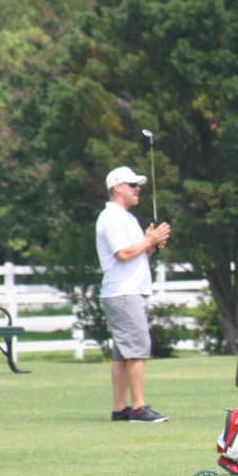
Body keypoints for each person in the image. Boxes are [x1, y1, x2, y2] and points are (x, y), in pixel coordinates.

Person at [95, 165, 172, 422]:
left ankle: (121, 408)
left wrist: (152, 244)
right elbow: (124, 253)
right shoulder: (112, 217)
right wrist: (148, 241)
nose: (137, 189)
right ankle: (138, 407)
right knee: (137, 350)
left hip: (126, 291)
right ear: (117, 188)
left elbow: (136, 254)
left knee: (122, 355)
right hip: (124, 293)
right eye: (131, 185)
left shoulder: (126, 218)